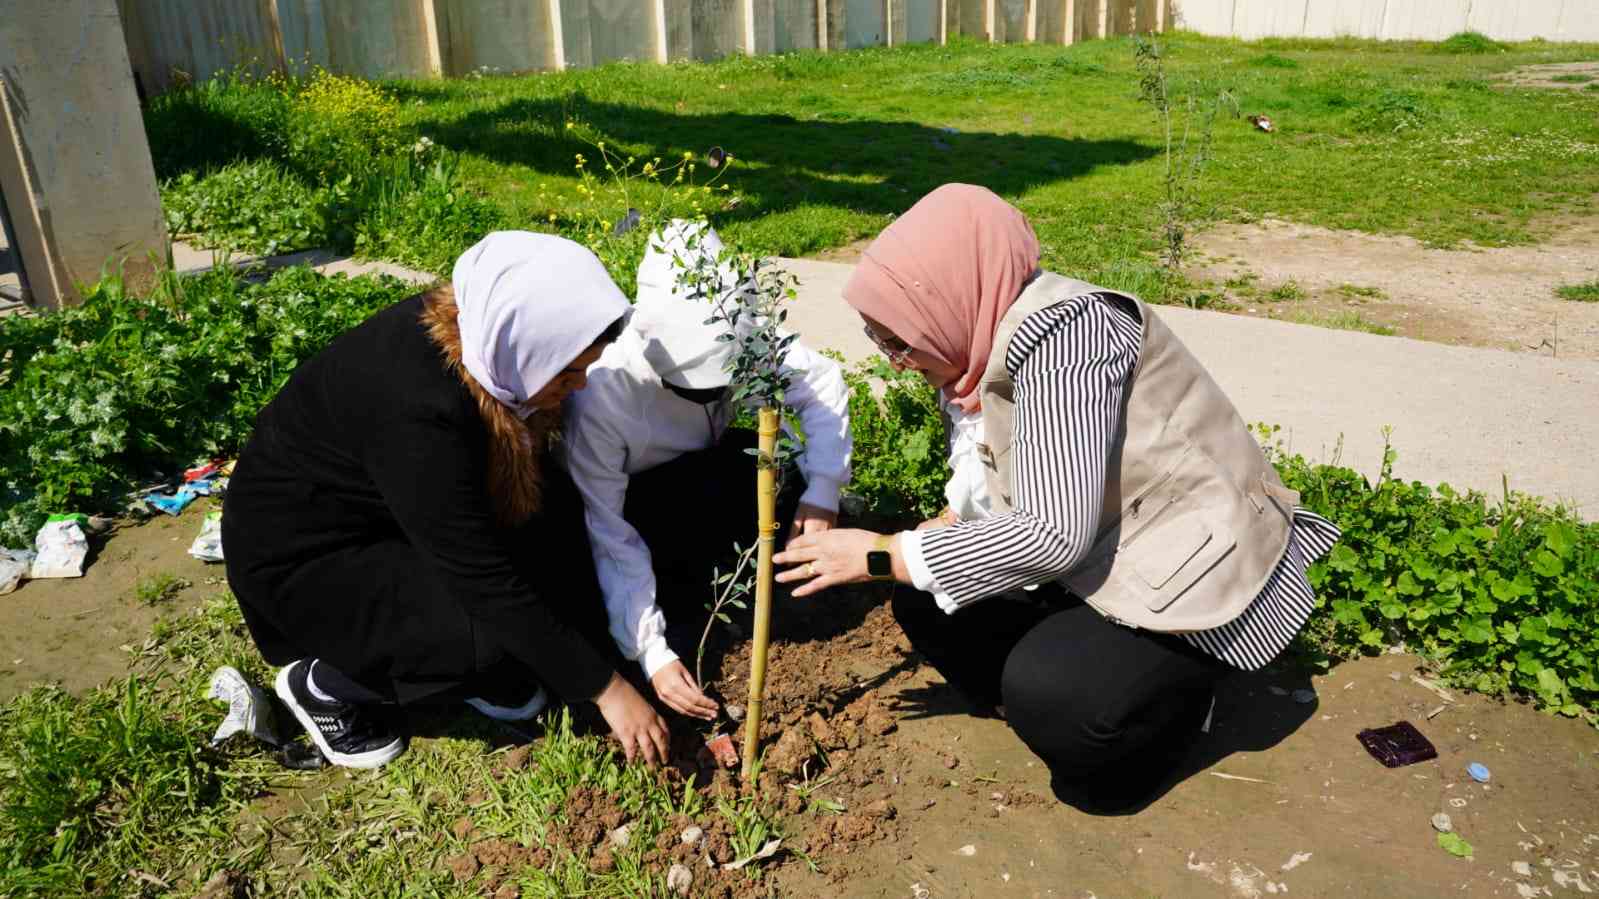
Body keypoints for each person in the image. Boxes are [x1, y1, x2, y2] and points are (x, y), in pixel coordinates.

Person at [774, 184, 1340, 807]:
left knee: (1065, 719)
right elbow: (990, 474)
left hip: (1191, 563)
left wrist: (882, 553)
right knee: (928, 603)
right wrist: (927, 539)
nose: (895, 361)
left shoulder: (1069, 342)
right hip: (1106, 542)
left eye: (899, 341)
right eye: (880, 340)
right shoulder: (974, 338)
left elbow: (1052, 534)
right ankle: (1082, 682)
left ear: (947, 297)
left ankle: (1184, 697)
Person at [223, 232, 673, 769]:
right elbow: (480, 576)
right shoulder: (418, 413)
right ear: (522, 346)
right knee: (486, 634)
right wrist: (606, 689)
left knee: (552, 554)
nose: (577, 388)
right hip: (310, 563)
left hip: (390, 519)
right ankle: (329, 683)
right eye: (567, 371)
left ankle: (479, 666)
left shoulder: (486, 341)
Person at [563, 220, 851, 721]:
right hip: (642, 506)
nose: (709, 398)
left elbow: (819, 381)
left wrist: (823, 489)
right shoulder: (603, 398)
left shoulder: (739, 333)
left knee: (765, 471)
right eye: (692, 390)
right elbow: (609, 531)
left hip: (712, 473)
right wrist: (652, 652)